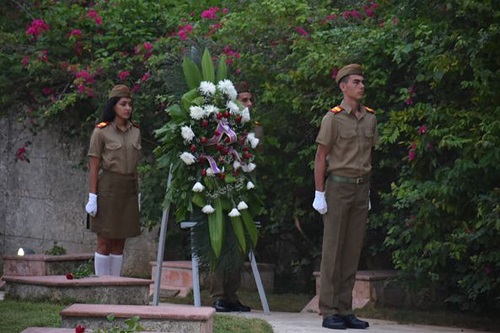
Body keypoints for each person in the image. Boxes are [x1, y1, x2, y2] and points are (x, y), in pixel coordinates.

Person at [312, 64, 378, 330]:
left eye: (362, 81)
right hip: (338, 187)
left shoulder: (370, 118)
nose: (361, 86)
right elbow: (321, 156)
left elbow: (368, 155)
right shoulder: (333, 118)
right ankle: (329, 310)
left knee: (352, 252)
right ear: (343, 87)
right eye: (356, 82)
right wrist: (319, 192)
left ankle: (345, 308)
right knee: (333, 250)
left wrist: (368, 190)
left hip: (361, 188)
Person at [85, 84, 142, 277]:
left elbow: (136, 166)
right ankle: (101, 285)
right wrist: (92, 196)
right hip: (108, 188)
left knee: (120, 240)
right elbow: (94, 165)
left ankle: (115, 284)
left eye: (130, 104)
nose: (128, 108)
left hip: (128, 189)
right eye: (123, 104)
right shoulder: (101, 131)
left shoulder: (135, 131)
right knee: (105, 238)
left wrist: (138, 192)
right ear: (113, 106)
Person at [209, 81, 254, 313]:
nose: (248, 104)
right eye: (244, 100)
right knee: (219, 240)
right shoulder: (220, 125)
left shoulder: (252, 127)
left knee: (238, 244)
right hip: (219, 189)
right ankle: (218, 295)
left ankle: (231, 294)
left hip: (242, 190)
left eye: (250, 100)